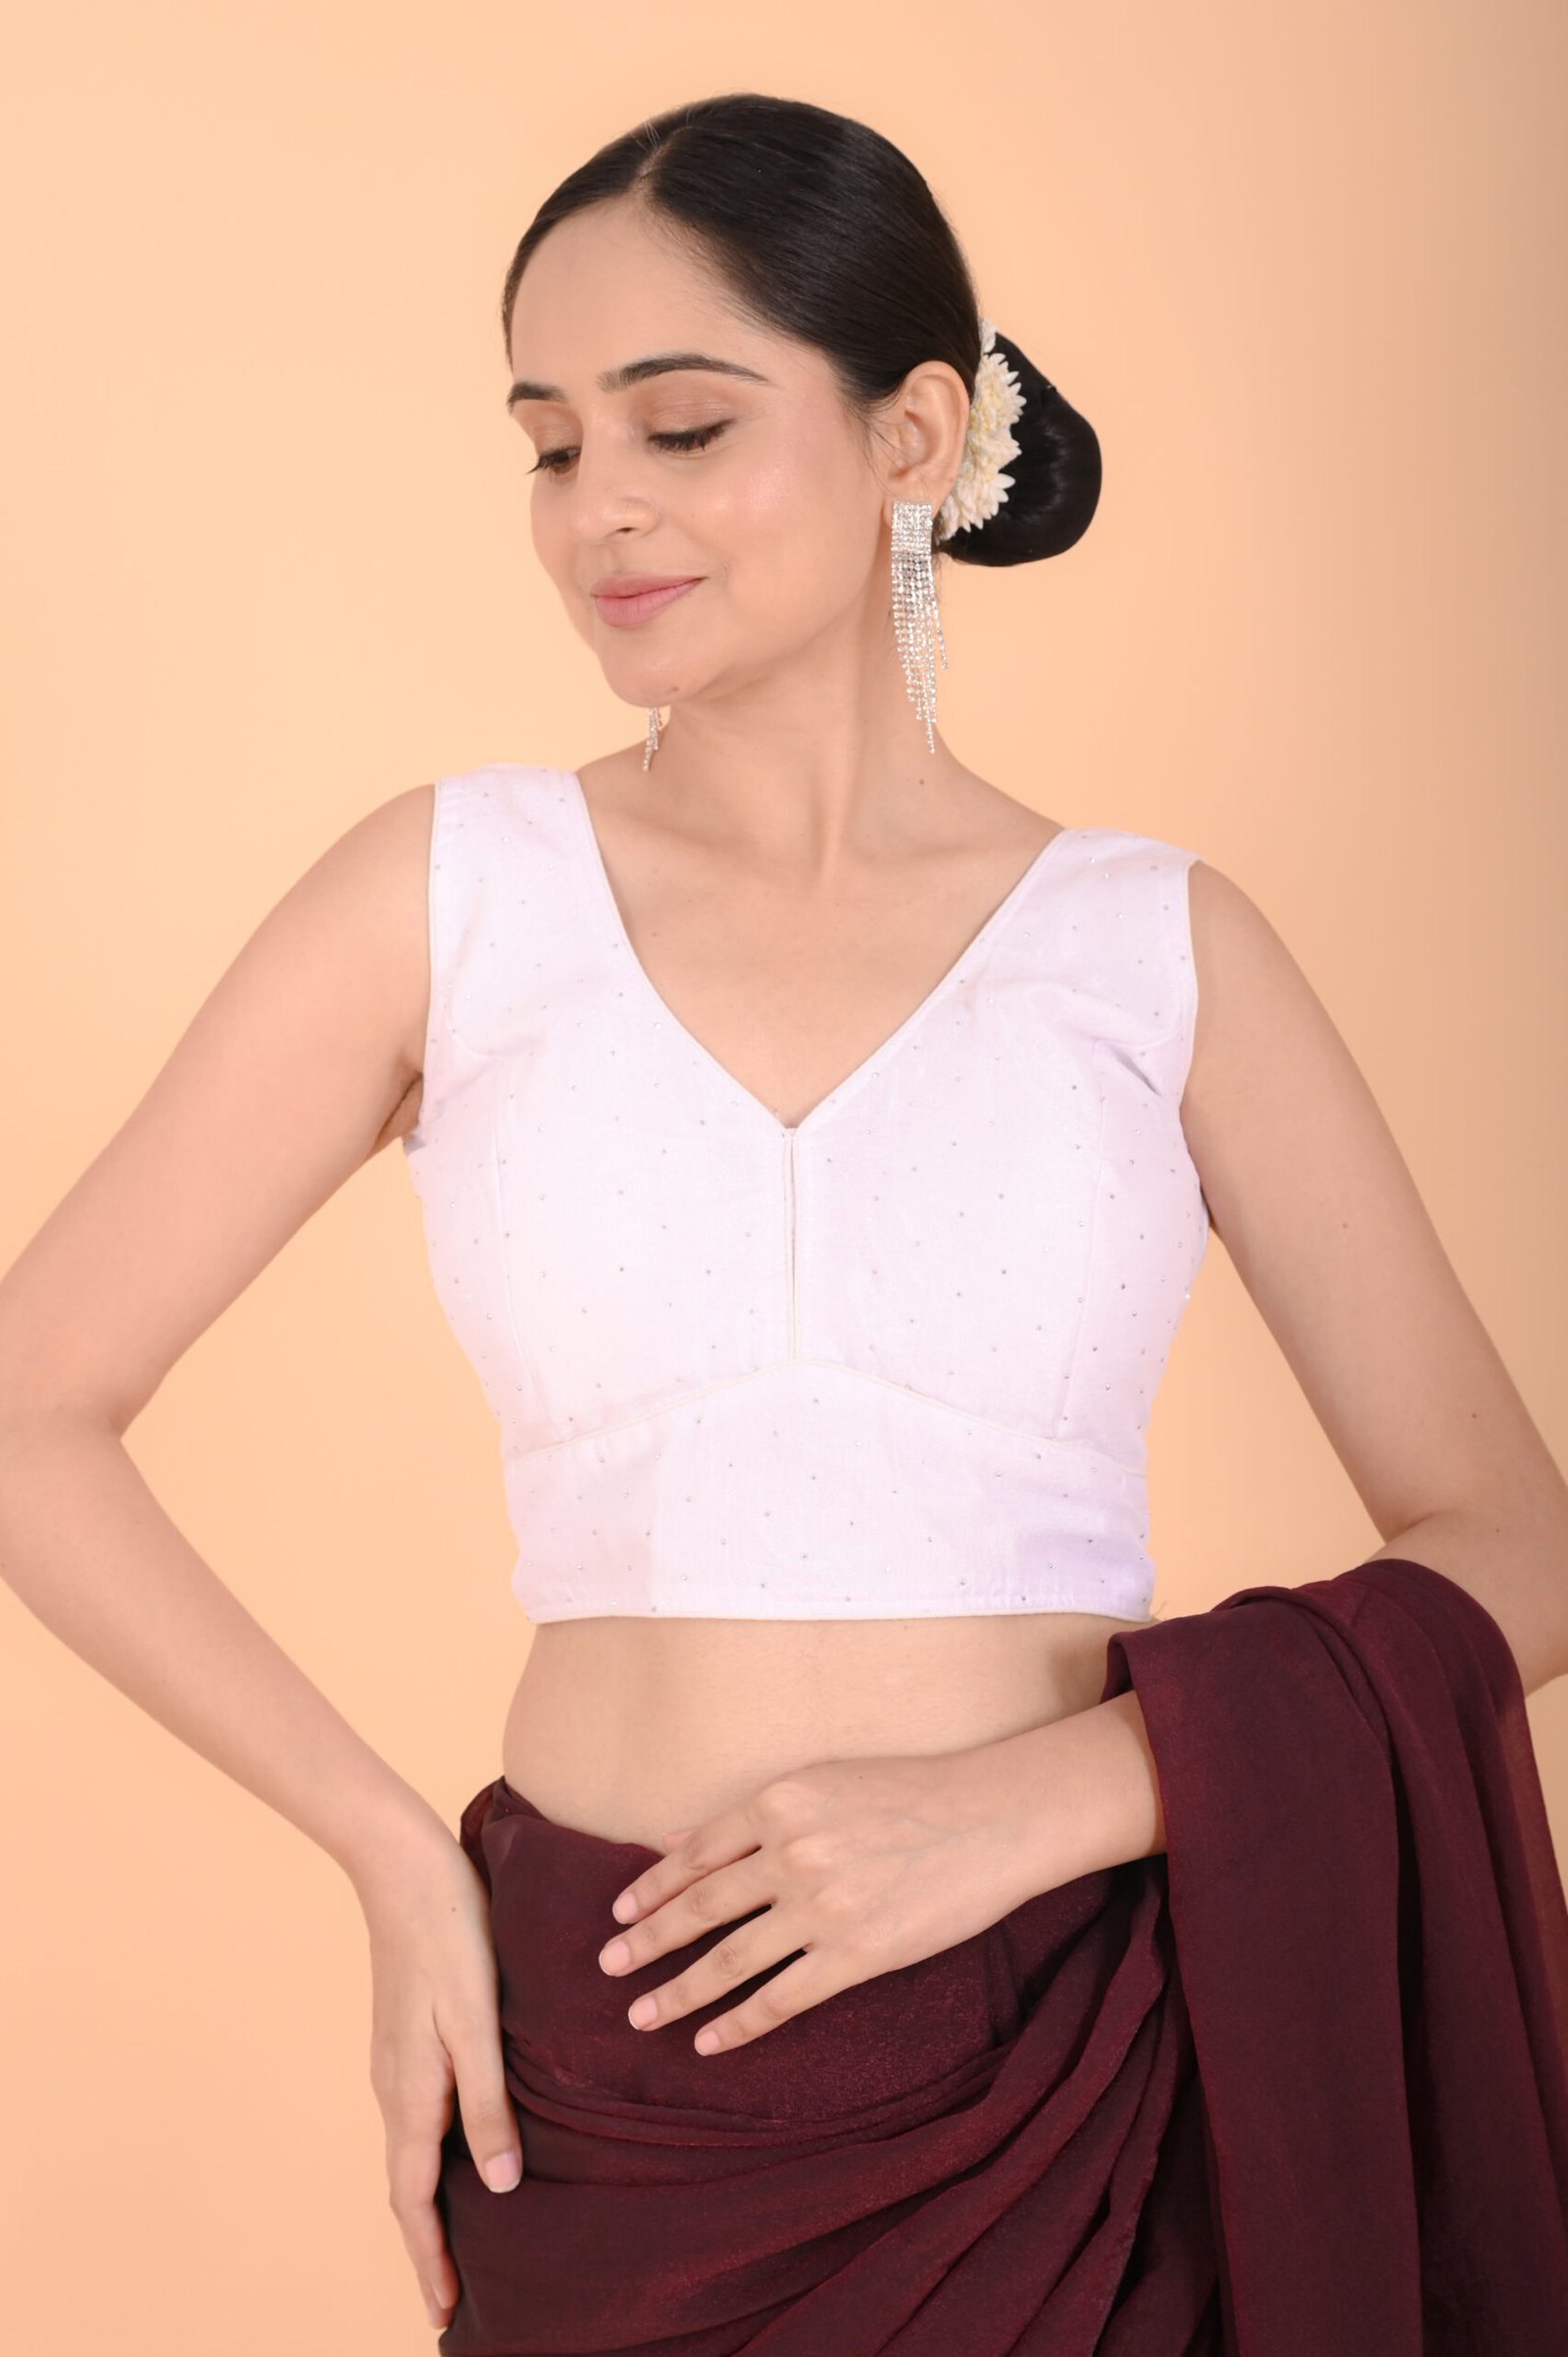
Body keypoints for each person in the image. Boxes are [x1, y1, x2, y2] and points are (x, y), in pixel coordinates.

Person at [2, 89, 1568, 2354]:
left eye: (680, 424)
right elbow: (32, 1408)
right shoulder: (450, 897)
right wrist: (386, 1850)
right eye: (550, 445)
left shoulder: (1152, 948)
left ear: (912, 435)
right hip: (603, 2080)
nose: (596, 511)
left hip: (1080, 2067)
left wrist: (1051, 1801)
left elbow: (1512, 1539)